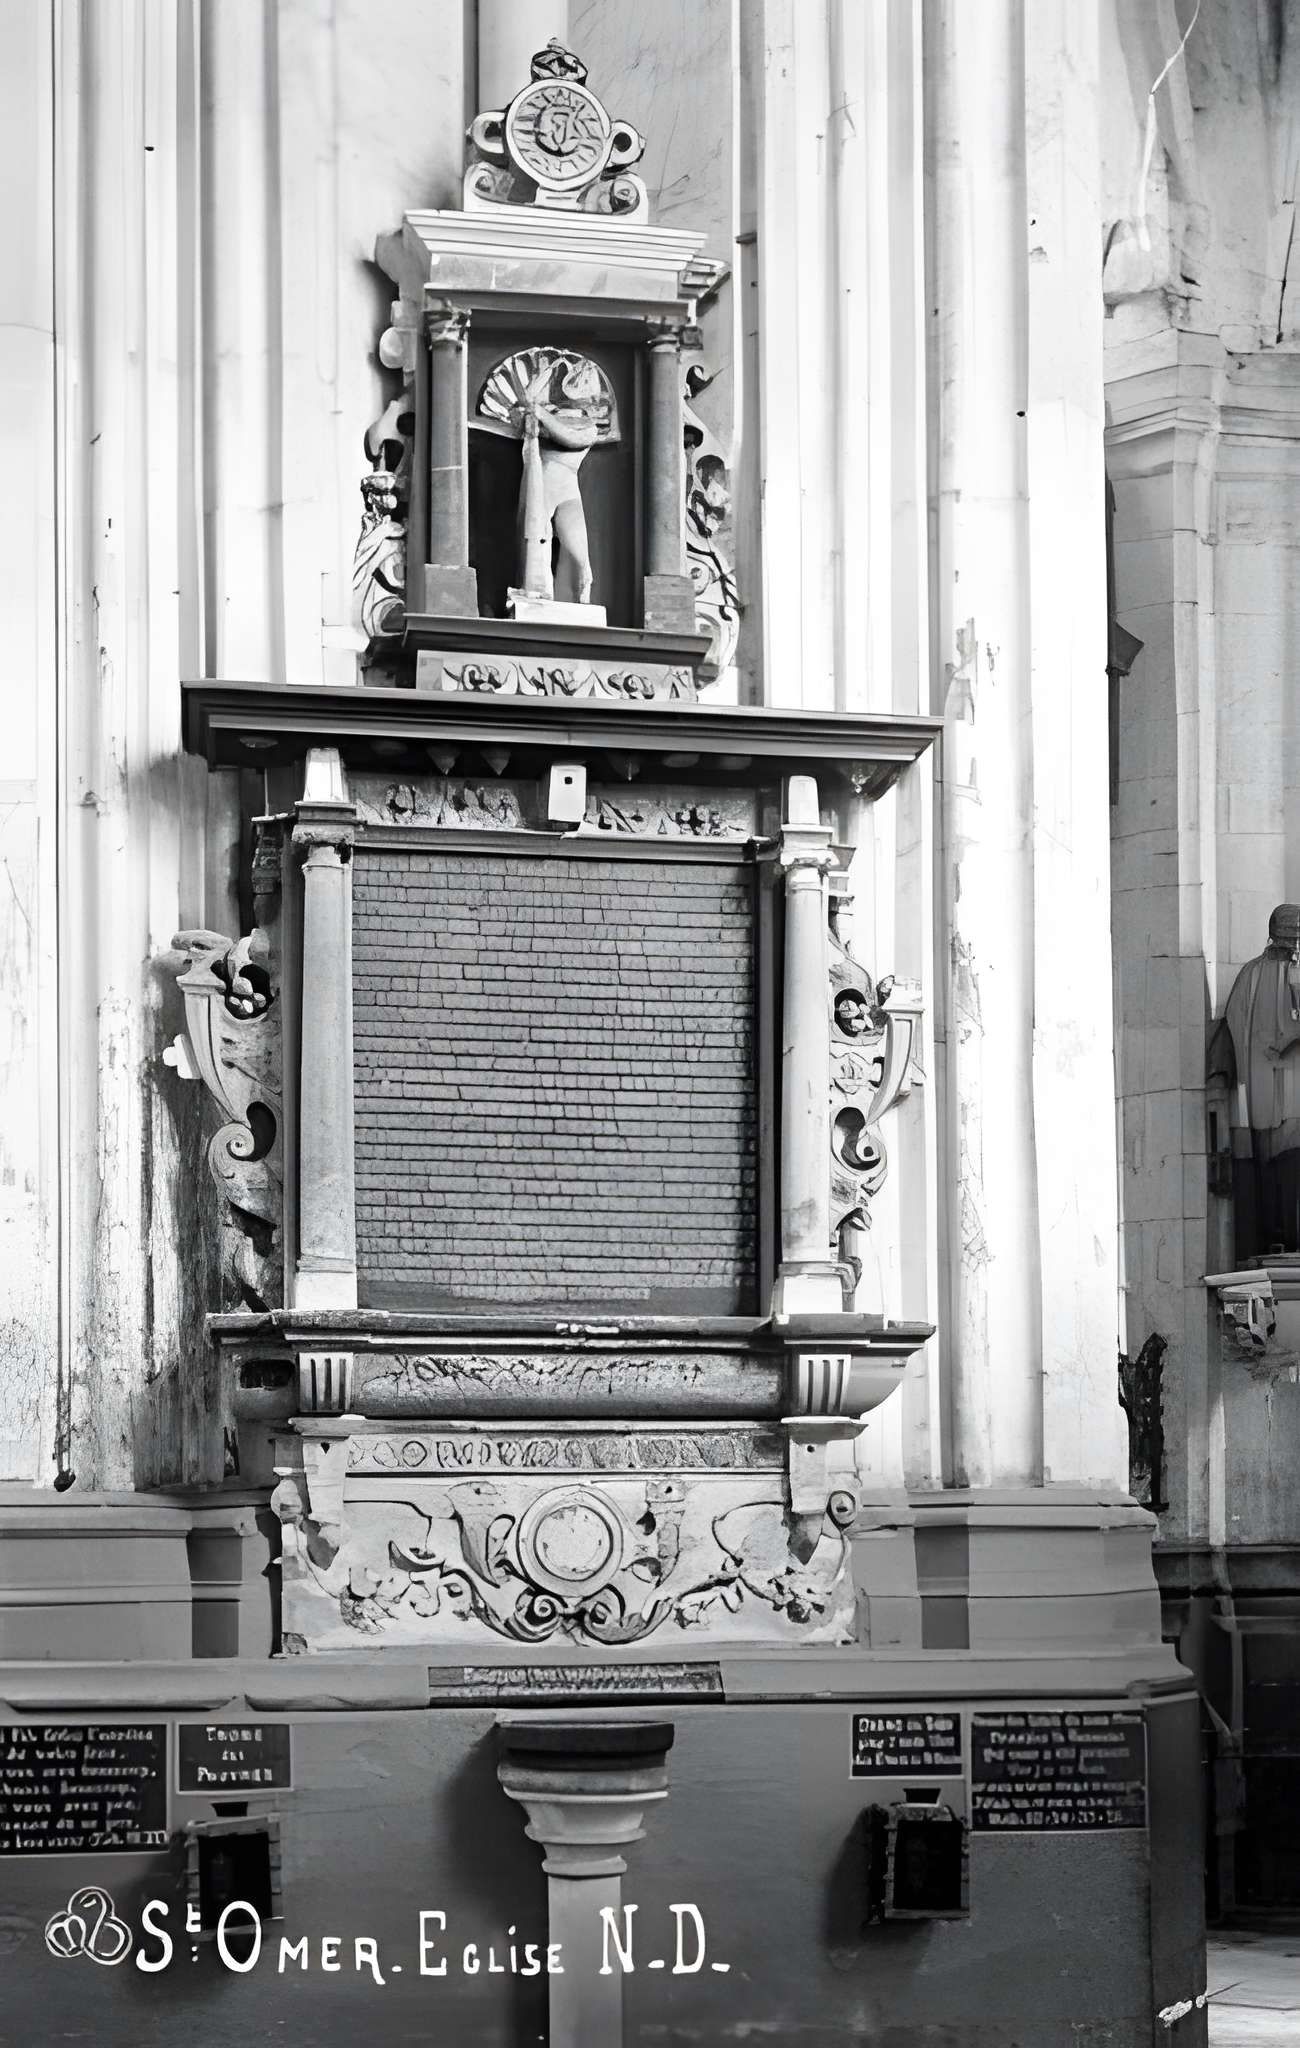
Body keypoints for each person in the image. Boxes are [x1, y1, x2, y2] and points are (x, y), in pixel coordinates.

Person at [1209, 903, 1300, 1258]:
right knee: (1271, 1177)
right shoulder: (1251, 975)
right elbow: (1233, 1033)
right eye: (1289, 941)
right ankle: (1275, 1241)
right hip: (1264, 1104)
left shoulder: (1256, 975)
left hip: (1285, 1101)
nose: (1292, 950)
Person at [516, 357, 605, 605]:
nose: (582, 381)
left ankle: (582, 599)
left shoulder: (589, 426)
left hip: (568, 490)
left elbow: (570, 437)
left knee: (579, 553)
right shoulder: (545, 415)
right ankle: (538, 594)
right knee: (537, 541)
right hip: (542, 485)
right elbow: (525, 408)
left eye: (587, 380)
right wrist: (545, 373)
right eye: (578, 375)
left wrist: (540, 412)